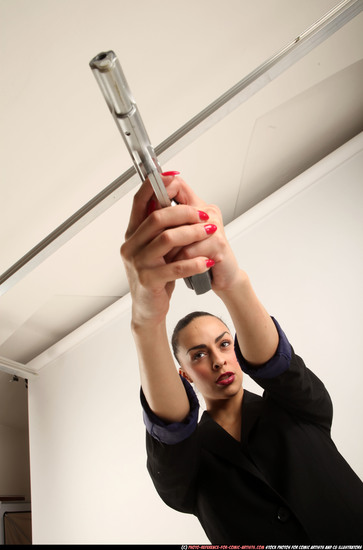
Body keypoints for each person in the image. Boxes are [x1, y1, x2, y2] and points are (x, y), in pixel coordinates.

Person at [120, 173, 363, 544]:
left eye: (223, 344)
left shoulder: (300, 408)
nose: (218, 360)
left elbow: (278, 366)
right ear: (183, 374)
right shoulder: (187, 466)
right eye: (199, 354)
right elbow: (170, 431)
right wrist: (146, 323)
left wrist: (232, 281)